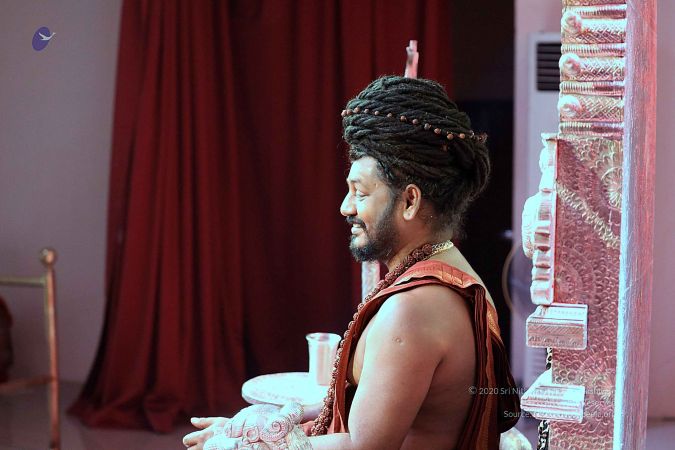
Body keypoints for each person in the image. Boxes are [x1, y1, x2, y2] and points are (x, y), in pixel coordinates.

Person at [183, 76, 520, 450]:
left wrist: (248, 444)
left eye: (360, 192)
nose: (346, 207)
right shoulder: (446, 269)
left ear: (409, 201)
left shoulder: (414, 309)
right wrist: (262, 425)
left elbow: (362, 447)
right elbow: (378, 410)